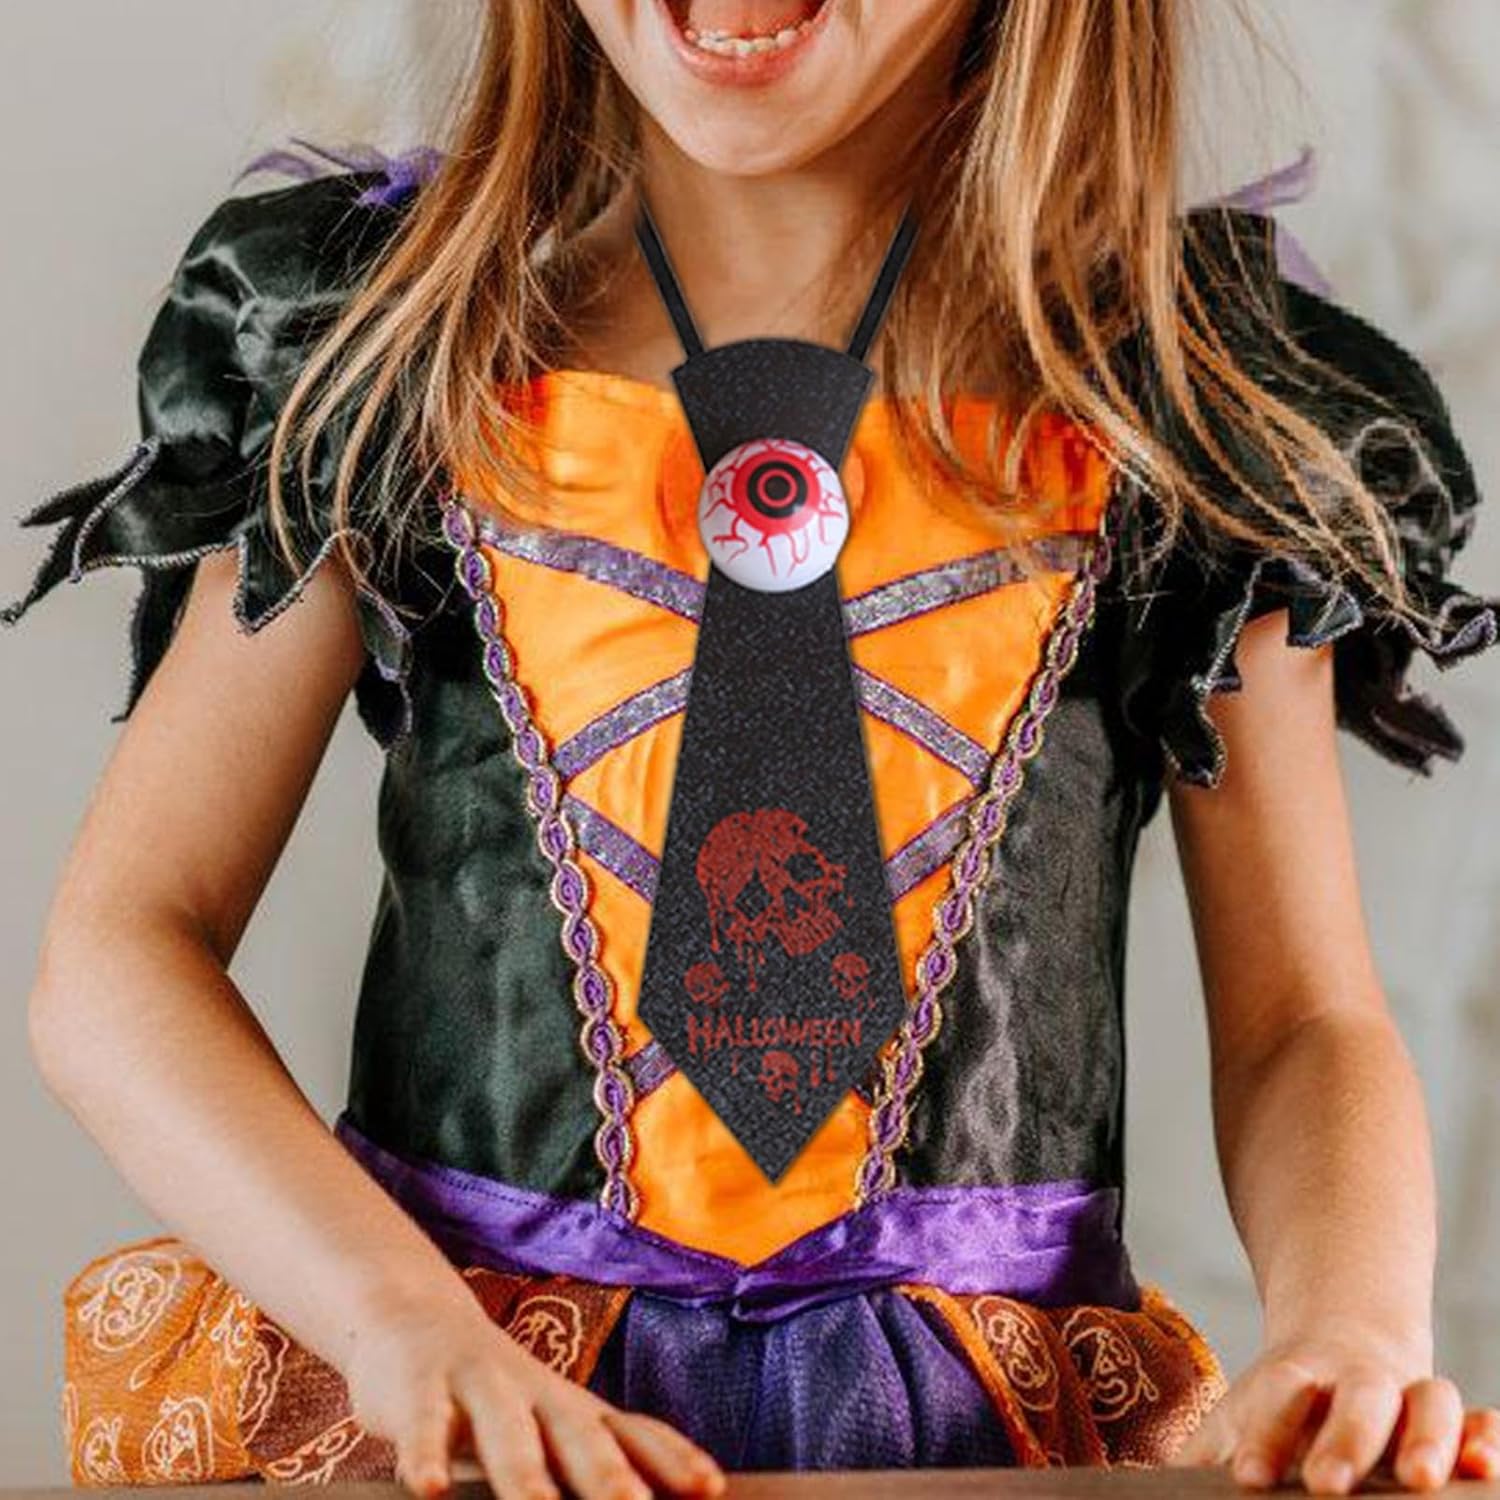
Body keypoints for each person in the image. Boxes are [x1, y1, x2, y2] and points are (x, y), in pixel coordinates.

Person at [4, 0, 1498, 1494]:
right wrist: (398, 1322)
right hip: (475, 1431)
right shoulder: (382, 348)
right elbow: (125, 948)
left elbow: (1303, 1022)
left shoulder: (1187, 411)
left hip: (966, 1447)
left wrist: (1353, 1330)